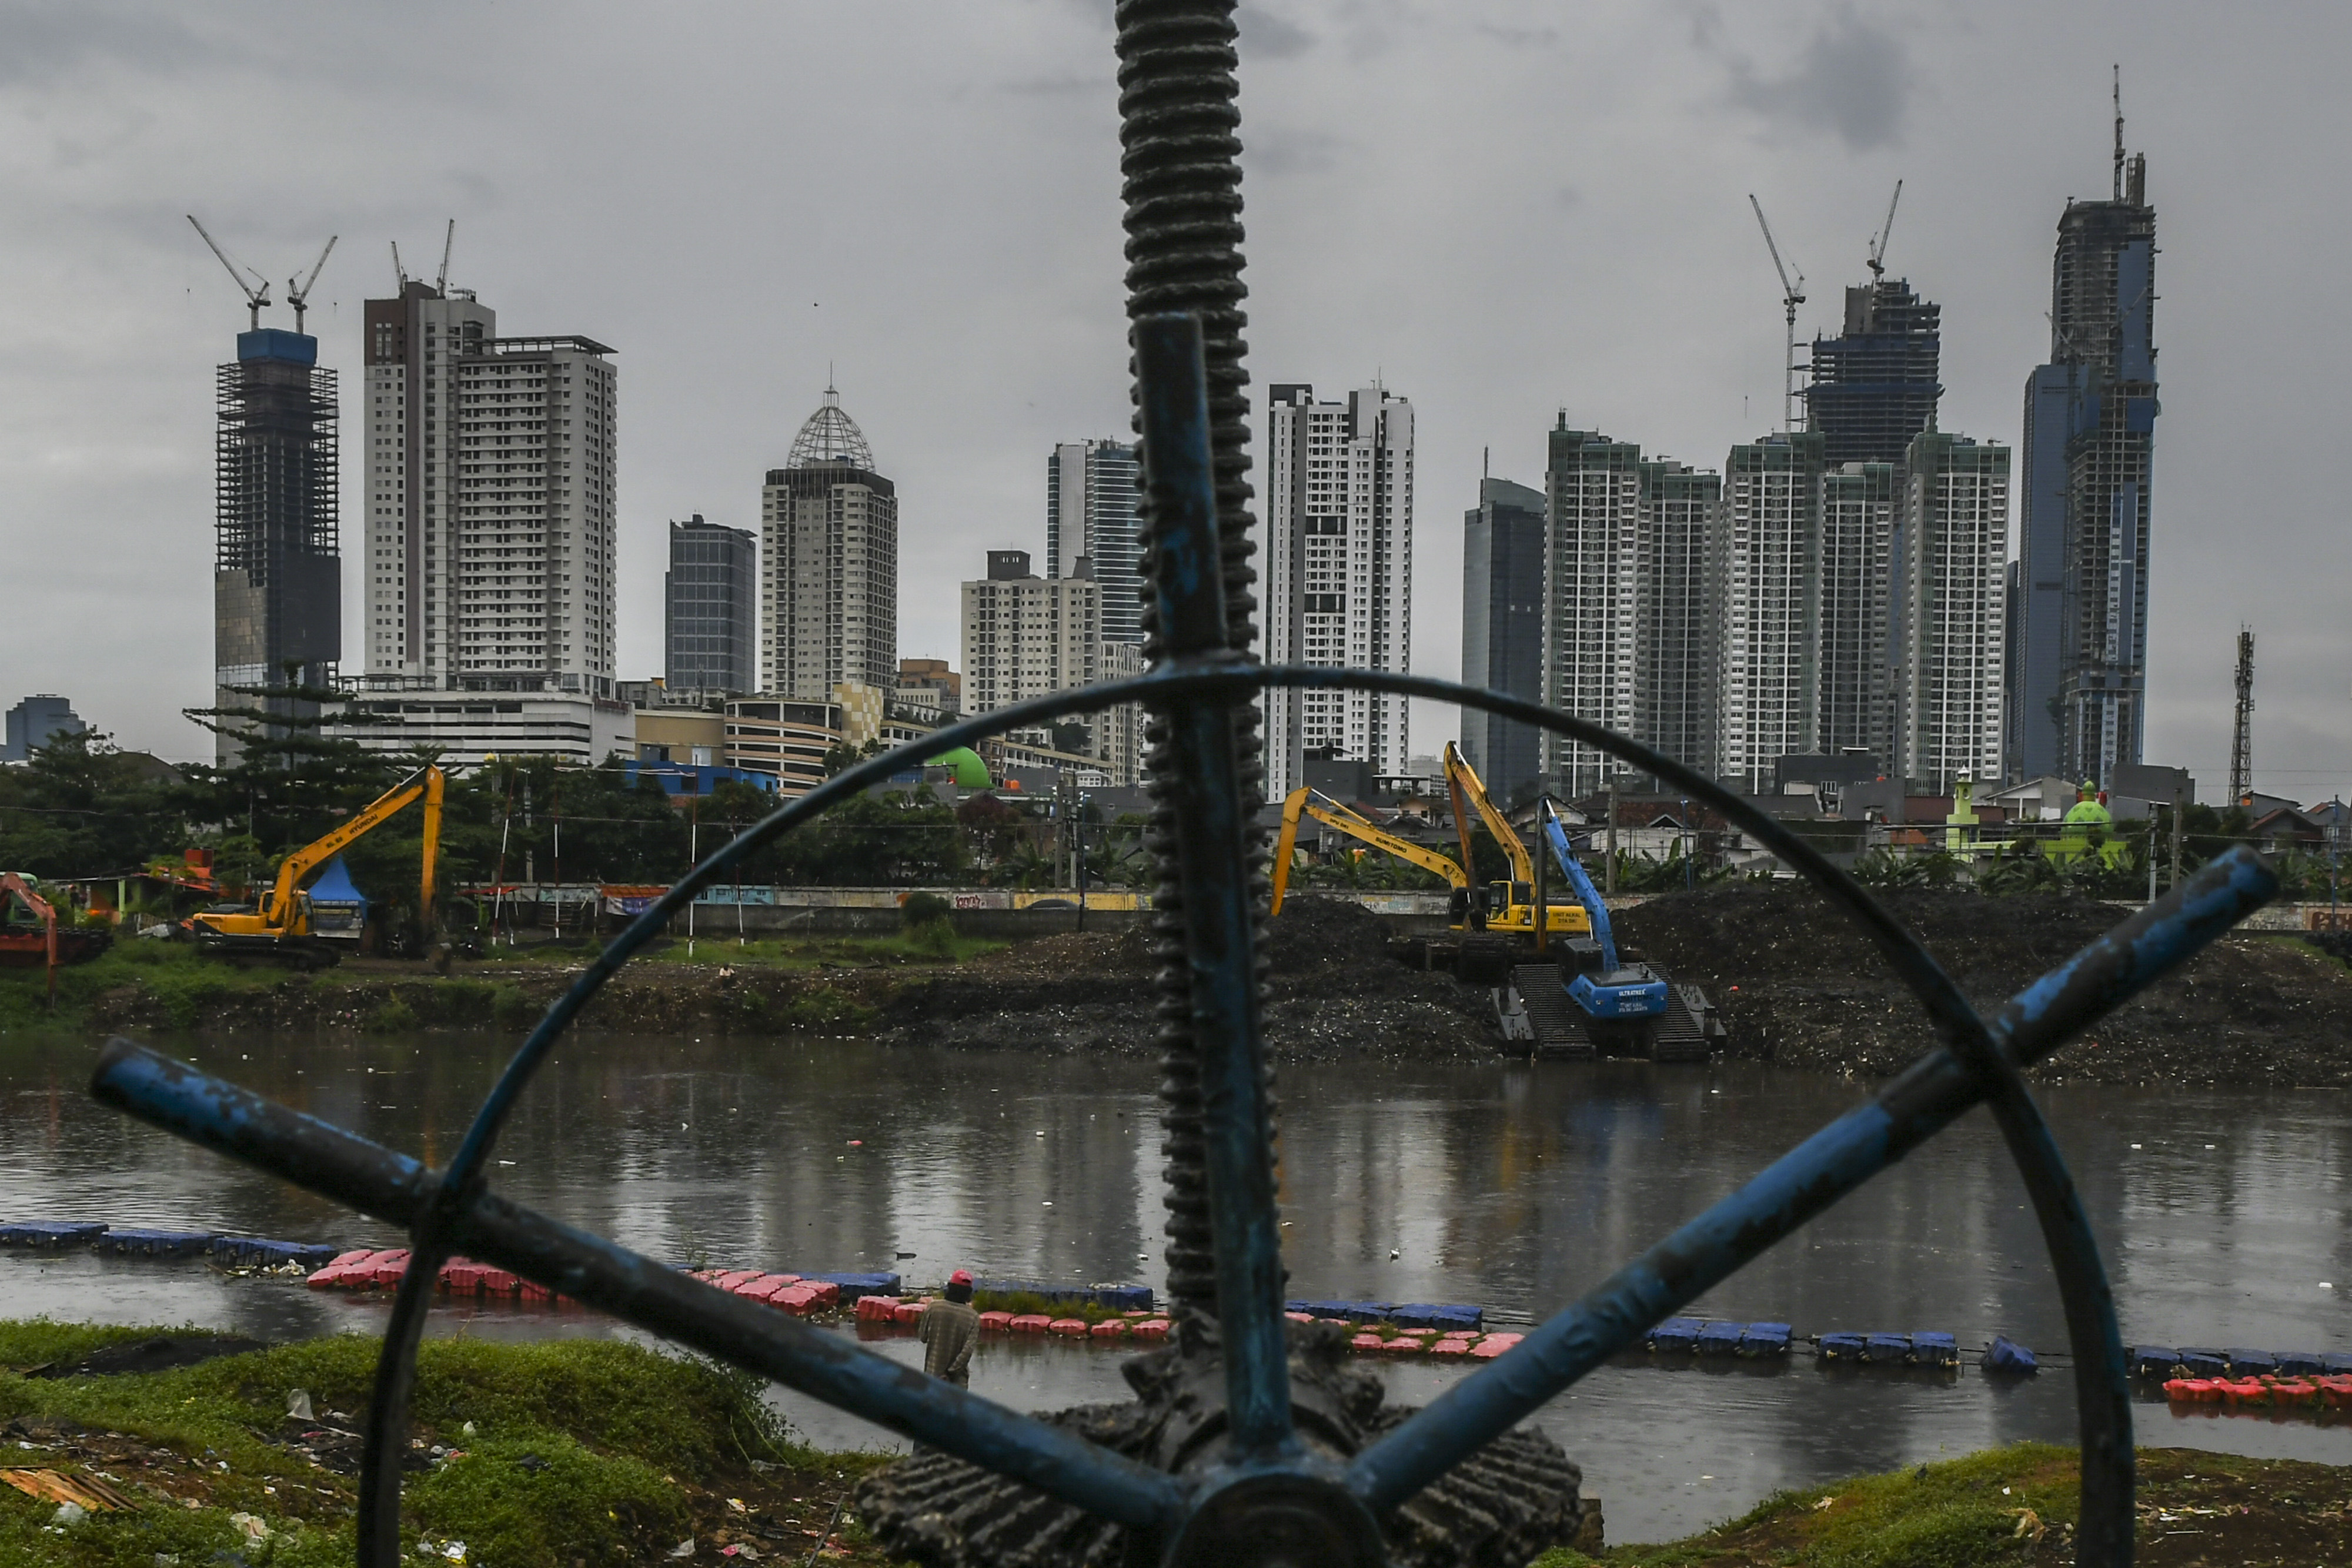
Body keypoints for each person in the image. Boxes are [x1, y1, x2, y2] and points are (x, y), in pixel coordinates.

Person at [919, 1270, 981, 1388]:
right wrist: (949, 1373)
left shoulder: (933, 1307)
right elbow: (967, 1353)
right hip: (957, 1383)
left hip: (932, 1376)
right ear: (969, 1293)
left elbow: (923, 1337)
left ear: (950, 1287)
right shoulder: (973, 1317)